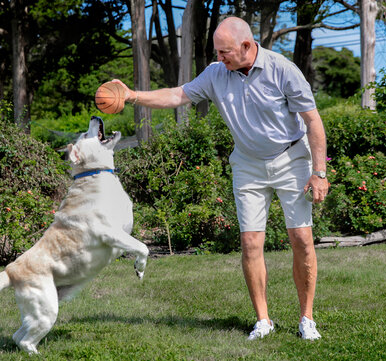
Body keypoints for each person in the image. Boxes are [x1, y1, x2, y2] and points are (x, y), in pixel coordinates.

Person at [112, 16, 328, 341]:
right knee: (251, 242)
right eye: (216, 52)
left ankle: (306, 319)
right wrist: (131, 96)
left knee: (301, 239)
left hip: (291, 159)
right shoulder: (216, 74)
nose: (219, 58)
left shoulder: (282, 70)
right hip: (248, 164)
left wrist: (319, 172)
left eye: (224, 51)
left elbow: (313, 121)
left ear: (246, 46)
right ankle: (263, 321)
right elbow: (176, 95)